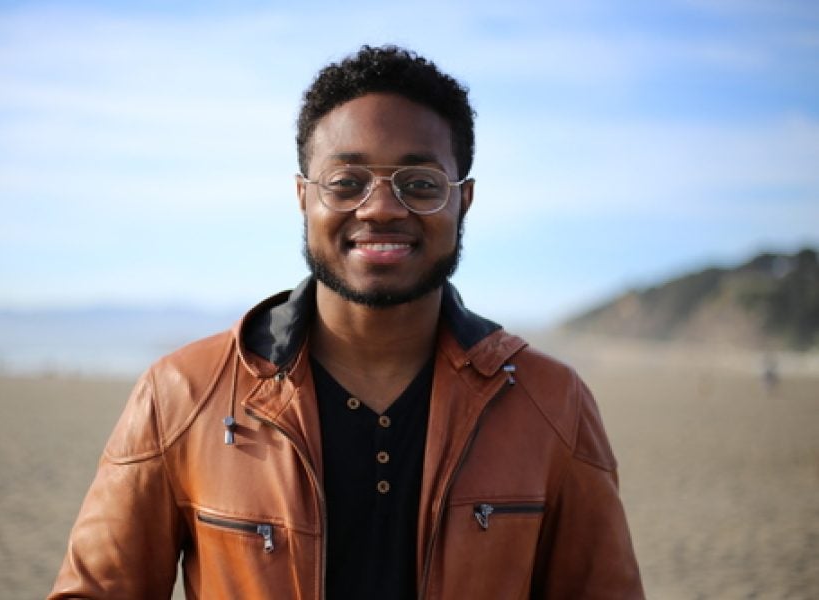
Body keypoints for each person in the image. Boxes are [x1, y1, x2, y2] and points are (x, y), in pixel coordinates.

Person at [49, 45, 644, 599]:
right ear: (303, 196)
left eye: (420, 184)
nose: (380, 208)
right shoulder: (181, 393)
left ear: (463, 200)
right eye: (346, 182)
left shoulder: (551, 402)